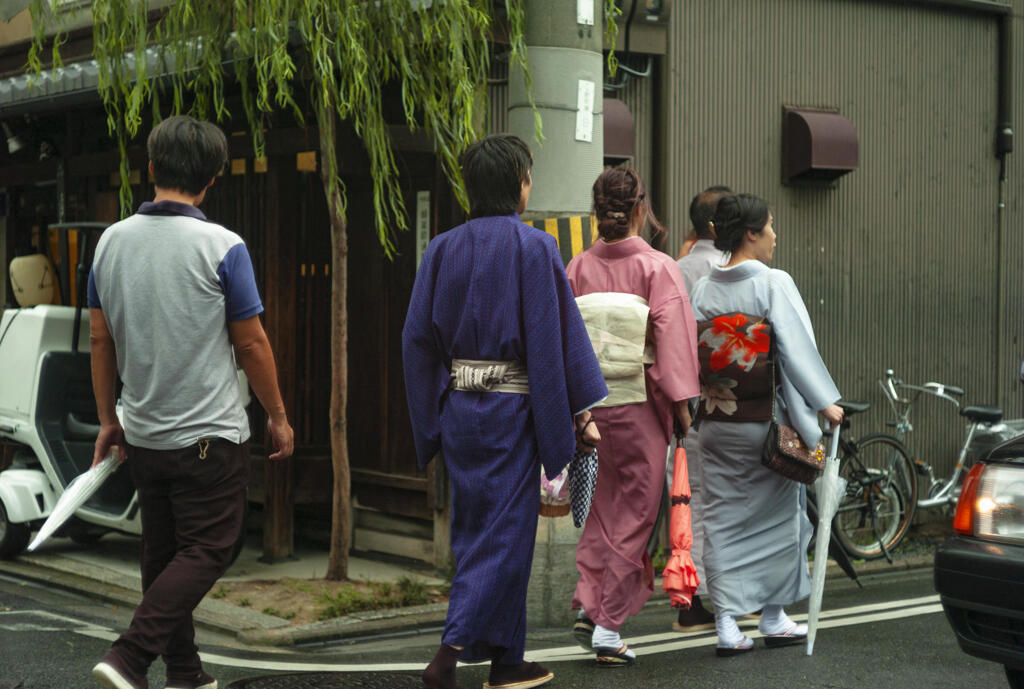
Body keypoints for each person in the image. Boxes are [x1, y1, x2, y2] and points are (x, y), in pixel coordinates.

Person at [87, 115, 295, 689]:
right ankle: (130, 656)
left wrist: (110, 419)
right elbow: (250, 342)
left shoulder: (109, 242)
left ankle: (185, 670)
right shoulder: (222, 246)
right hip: (209, 436)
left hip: (145, 433)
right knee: (210, 548)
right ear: (211, 180)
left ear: (150, 170)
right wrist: (276, 415)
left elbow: (100, 339)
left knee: (164, 553)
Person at [402, 134, 608, 689]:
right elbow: (552, 341)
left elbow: (417, 340)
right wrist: (576, 417)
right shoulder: (534, 248)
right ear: (518, 186)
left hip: (460, 410)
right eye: (527, 178)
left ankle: (507, 660)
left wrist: (431, 420)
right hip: (510, 413)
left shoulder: (441, 249)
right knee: (504, 536)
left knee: (484, 533)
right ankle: (447, 655)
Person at [688, 193, 843, 656]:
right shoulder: (772, 283)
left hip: (716, 421)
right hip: (762, 426)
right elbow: (797, 351)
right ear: (752, 233)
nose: (776, 236)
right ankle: (773, 614)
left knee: (721, 520)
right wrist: (823, 403)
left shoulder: (703, 289)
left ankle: (729, 625)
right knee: (783, 521)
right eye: (771, 227)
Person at [568, 167, 700, 666]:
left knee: (603, 506)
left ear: (598, 209)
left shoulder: (577, 268)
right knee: (636, 512)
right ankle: (606, 624)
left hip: (591, 406)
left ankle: (590, 600)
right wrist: (682, 405)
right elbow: (673, 343)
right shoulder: (659, 267)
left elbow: (565, 338)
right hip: (639, 402)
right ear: (640, 208)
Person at [671, 184, 732, 632]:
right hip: (723, 401)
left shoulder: (675, 269)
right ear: (718, 226)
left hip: (679, 403)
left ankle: (686, 599)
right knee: (720, 502)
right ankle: (721, 598)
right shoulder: (728, 271)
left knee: (686, 501)